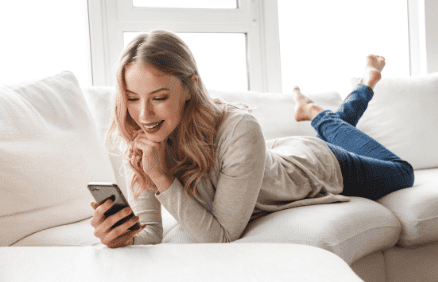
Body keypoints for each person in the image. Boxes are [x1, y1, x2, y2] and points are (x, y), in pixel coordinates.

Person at [89, 30, 415, 248]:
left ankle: (323, 111)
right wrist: (123, 237)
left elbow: (220, 237)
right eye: (132, 98)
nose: (143, 114)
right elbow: (152, 231)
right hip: (277, 156)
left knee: (402, 171)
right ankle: (326, 111)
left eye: (158, 97)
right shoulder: (143, 137)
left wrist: (160, 177)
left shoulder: (239, 127)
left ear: (189, 88)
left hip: (321, 166)